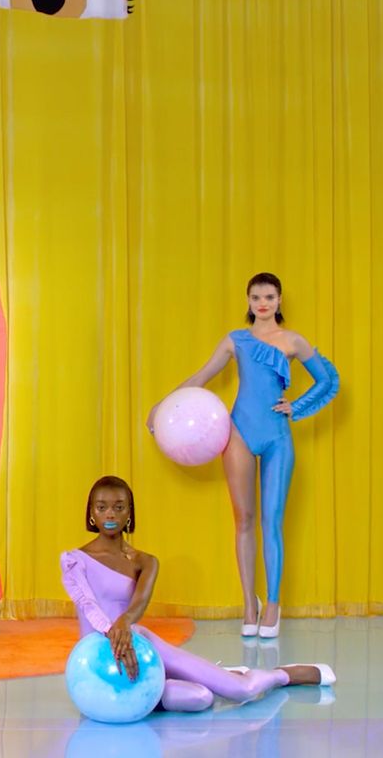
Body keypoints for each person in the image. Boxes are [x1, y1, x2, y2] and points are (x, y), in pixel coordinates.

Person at [158, 272, 338, 638]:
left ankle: (273, 603)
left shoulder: (292, 340)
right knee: (243, 519)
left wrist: (298, 407)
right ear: (248, 301)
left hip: (276, 437)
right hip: (239, 432)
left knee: (271, 521)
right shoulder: (235, 340)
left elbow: (329, 380)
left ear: (280, 300)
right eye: (256, 296)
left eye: (269, 296)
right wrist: (162, 409)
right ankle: (249, 604)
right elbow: (202, 376)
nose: (263, 303)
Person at [61, 476, 334, 713]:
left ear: (129, 514)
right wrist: (113, 629)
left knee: (241, 692)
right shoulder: (75, 560)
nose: (110, 515)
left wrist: (124, 624)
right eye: (102, 507)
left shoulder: (145, 562)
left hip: (138, 645)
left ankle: (282, 674)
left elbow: (138, 605)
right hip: (97, 658)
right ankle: (220, 674)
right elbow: (87, 604)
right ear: (91, 514)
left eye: (118, 508)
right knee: (200, 698)